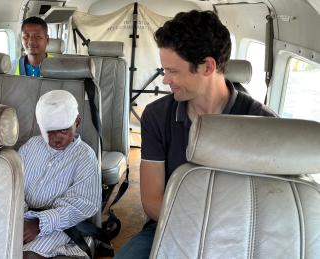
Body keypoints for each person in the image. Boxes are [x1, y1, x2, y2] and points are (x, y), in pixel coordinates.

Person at [114, 10, 276, 259]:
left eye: (173, 71)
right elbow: (153, 200)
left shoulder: (262, 123)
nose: (165, 79)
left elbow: (268, 206)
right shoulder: (157, 116)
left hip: (237, 237)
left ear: (208, 67)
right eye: (164, 70)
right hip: (168, 224)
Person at [20, 90, 101, 259]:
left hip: (61, 225)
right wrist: (21, 216)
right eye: (49, 131)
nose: (56, 138)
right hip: (21, 216)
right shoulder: (31, 147)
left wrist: (40, 223)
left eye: (63, 131)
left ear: (77, 122)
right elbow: (13, 185)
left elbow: (82, 204)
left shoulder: (85, 156)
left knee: (28, 255)